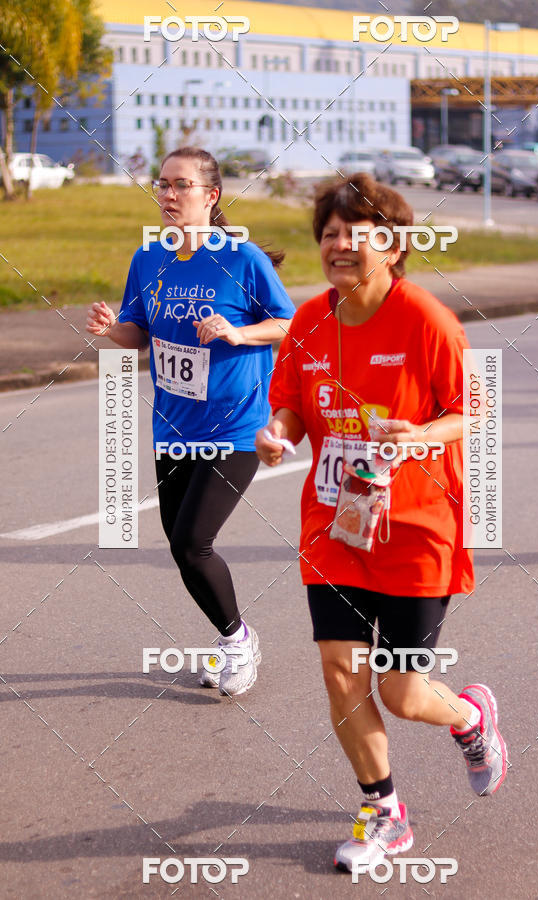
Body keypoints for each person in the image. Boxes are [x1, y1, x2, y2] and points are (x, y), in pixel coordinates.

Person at [256, 173, 508, 872]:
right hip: (336, 527)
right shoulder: (310, 322)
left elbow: (470, 412)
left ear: (391, 246)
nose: (338, 246)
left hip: (417, 527)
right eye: (329, 234)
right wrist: (276, 433)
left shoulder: (425, 319)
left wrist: (420, 436)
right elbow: (291, 408)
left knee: (401, 693)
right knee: (341, 671)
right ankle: (383, 810)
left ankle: (470, 718)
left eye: (353, 234)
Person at [87, 147, 296, 696]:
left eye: (181, 185)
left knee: (191, 541)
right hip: (173, 426)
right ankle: (233, 637)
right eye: (162, 185)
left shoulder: (242, 259)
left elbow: (288, 325)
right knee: (181, 547)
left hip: (237, 426)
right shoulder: (148, 259)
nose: (169, 195)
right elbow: (138, 330)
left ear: (211, 196)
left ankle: (237, 642)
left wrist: (237, 333)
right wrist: (112, 327)